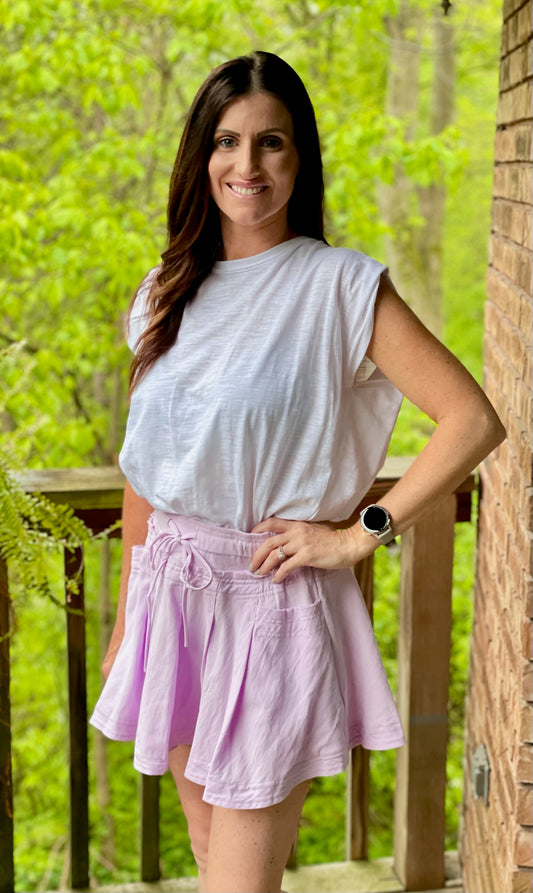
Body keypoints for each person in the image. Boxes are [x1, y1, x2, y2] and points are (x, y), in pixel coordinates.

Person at [90, 50, 505, 893]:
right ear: (200, 156)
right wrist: (130, 615)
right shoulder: (164, 290)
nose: (247, 166)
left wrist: (359, 536)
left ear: (298, 157)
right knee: (217, 866)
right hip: (173, 602)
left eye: (270, 143)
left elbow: (471, 419)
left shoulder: (339, 287)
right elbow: (147, 468)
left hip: (268, 607)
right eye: (228, 142)